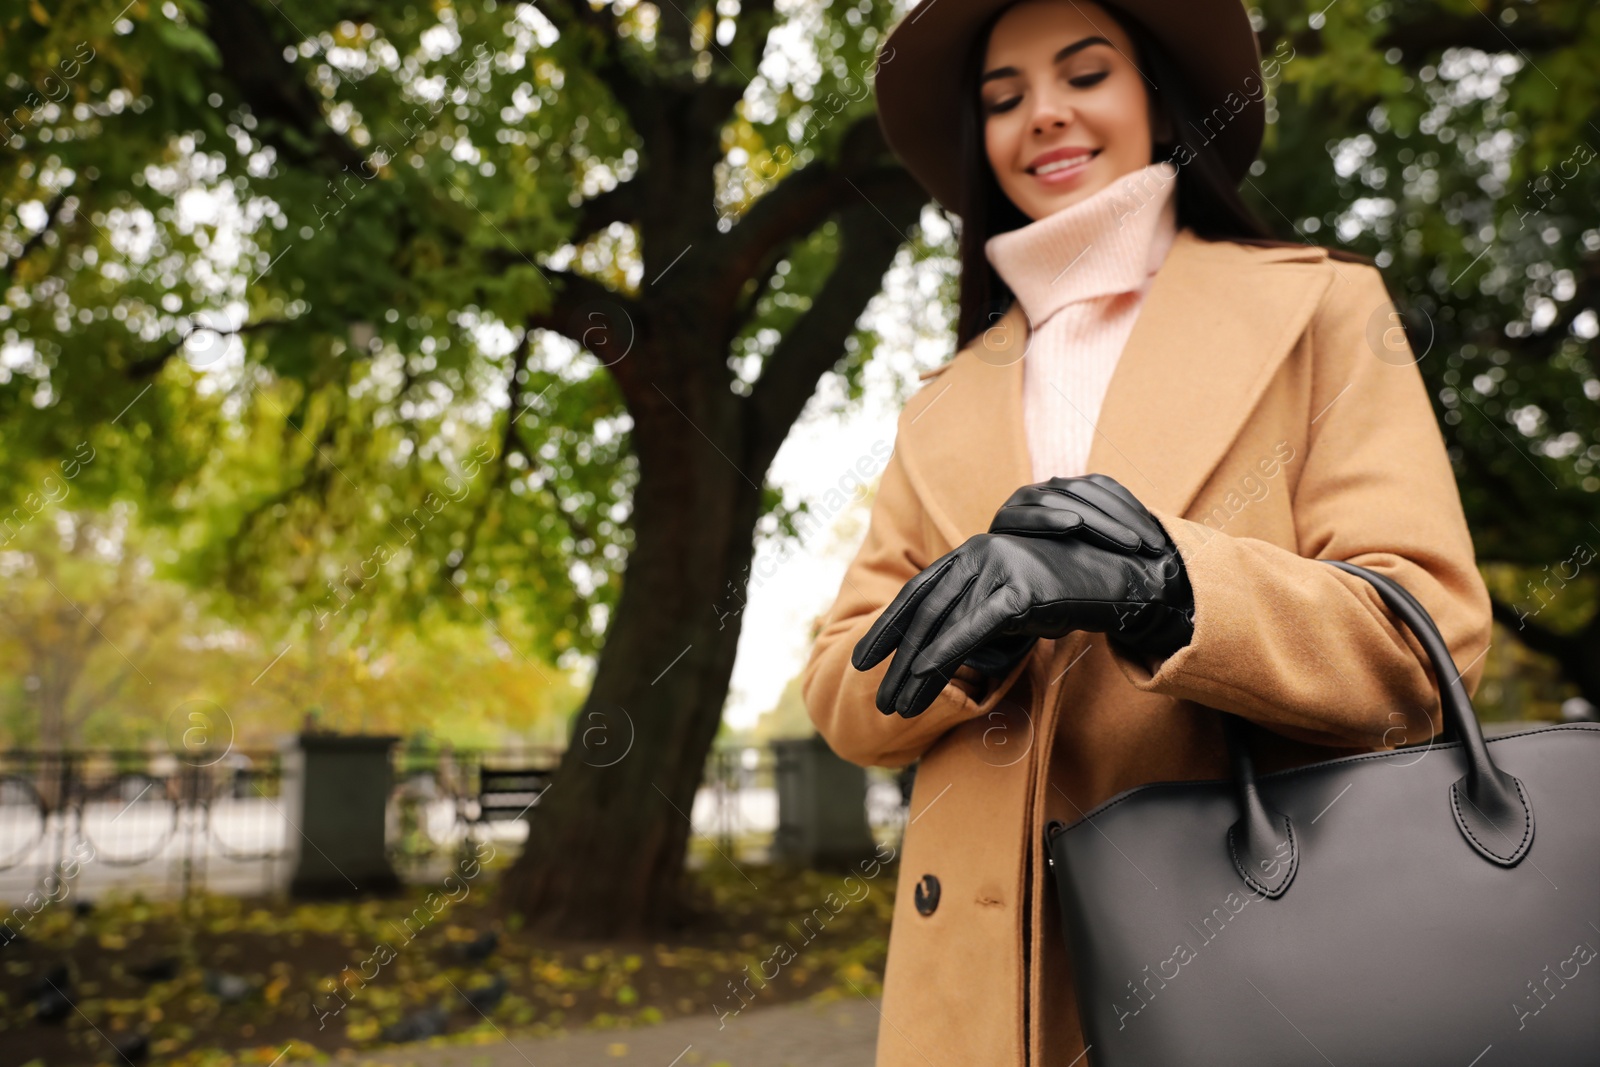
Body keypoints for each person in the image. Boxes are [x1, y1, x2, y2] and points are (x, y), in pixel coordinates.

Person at [799, 0, 1495, 1064]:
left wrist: (1166, 589)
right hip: (977, 1004)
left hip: (1250, 956)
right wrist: (972, 643)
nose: (1043, 114)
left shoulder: (1323, 310)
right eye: (1003, 97)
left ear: (1159, 102)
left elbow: (1425, 639)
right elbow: (840, 691)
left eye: (1085, 75)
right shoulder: (936, 405)